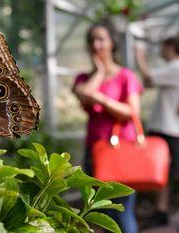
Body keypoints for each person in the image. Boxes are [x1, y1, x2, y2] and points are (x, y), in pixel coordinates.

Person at [72, 22, 143, 233]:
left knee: (123, 212)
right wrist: (101, 72)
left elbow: (132, 112)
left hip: (123, 150)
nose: (96, 44)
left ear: (112, 43)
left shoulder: (126, 76)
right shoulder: (84, 78)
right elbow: (83, 94)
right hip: (95, 150)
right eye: (92, 39)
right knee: (101, 213)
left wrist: (102, 99)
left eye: (101, 38)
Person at [135, 36, 179, 227]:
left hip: (169, 130)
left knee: (171, 172)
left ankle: (162, 210)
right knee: (164, 173)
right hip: (167, 128)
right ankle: (161, 211)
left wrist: (140, 56)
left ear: (170, 47)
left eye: (163, 46)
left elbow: (148, 79)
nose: (161, 51)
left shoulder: (175, 67)